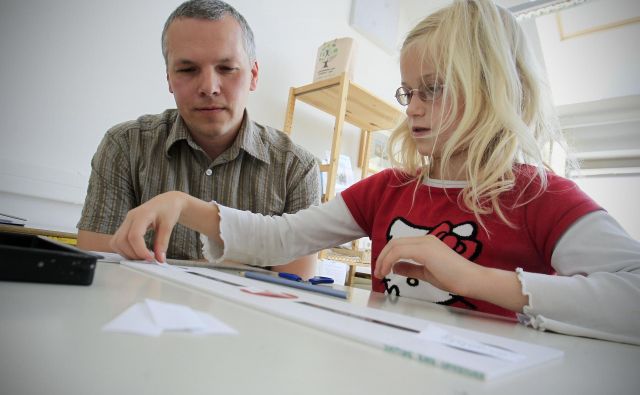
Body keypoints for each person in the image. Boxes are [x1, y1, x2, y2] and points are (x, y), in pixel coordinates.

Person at [109, 0, 640, 345]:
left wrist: (474, 279)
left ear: (496, 90)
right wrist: (185, 205)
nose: (413, 107)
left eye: (434, 88)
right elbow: (282, 237)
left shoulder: (542, 197)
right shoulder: (387, 191)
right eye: (410, 91)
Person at [76, 0, 321, 278]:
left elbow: (292, 292)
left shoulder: (297, 169)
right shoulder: (124, 147)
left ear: (253, 75)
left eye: (227, 68)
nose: (209, 87)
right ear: (169, 78)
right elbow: (96, 274)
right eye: (188, 70)